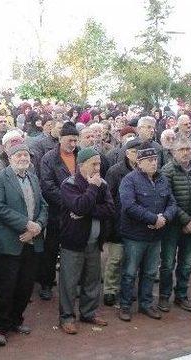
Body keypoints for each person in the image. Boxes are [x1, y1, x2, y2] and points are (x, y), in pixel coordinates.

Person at [0, 143, 48, 346]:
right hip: (9, 243)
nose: (23, 158)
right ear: (10, 158)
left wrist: (37, 225)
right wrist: (25, 224)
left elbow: (44, 205)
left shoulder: (33, 177)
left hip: (32, 240)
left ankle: (16, 320)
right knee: (6, 287)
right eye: (19, 155)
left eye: (26, 155)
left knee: (25, 286)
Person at [58, 147, 114, 334]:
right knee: (69, 282)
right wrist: (92, 189)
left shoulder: (103, 183)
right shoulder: (70, 184)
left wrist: (86, 211)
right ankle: (66, 317)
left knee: (92, 280)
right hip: (73, 242)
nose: (98, 167)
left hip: (93, 242)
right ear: (82, 165)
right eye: (94, 164)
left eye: (99, 163)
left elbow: (109, 210)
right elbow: (78, 206)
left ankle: (88, 313)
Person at [118, 145, 177, 321]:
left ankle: (146, 303)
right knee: (129, 272)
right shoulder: (130, 180)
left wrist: (164, 218)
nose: (154, 163)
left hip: (155, 236)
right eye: (149, 160)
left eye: (156, 160)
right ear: (139, 162)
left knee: (151, 272)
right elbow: (129, 206)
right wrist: (153, 219)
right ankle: (125, 305)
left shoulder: (162, 179)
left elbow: (172, 203)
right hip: (135, 236)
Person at [158, 137, 191, 313]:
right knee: (167, 263)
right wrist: (186, 219)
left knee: (186, 263)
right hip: (172, 226)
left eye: (188, 149)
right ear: (173, 152)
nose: (186, 152)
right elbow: (168, 198)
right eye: (181, 149)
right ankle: (164, 296)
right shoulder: (167, 170)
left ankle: (181, 294)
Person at [39, 121, 79, 300]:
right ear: (61, 138)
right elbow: (48, 187)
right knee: (51, 249)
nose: (73, 144)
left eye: (75, 141)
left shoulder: (80, 156)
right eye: (70, 140)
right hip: (57, 213)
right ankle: (46, 283)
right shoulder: (49, 158)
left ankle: (72, 284)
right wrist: (71, 202)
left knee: (74, 250)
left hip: (78, 213)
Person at [102, 138, 140, 306]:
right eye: (134, 151)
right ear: (127, 153)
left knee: (132, 260)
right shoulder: (115, 171)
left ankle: (128, 288)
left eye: (140, 152)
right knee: (115, 258)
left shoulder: (145, 171)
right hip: (118, 221)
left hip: (138, 223)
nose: (137, 155)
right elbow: (108, 197)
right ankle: (110, 289)